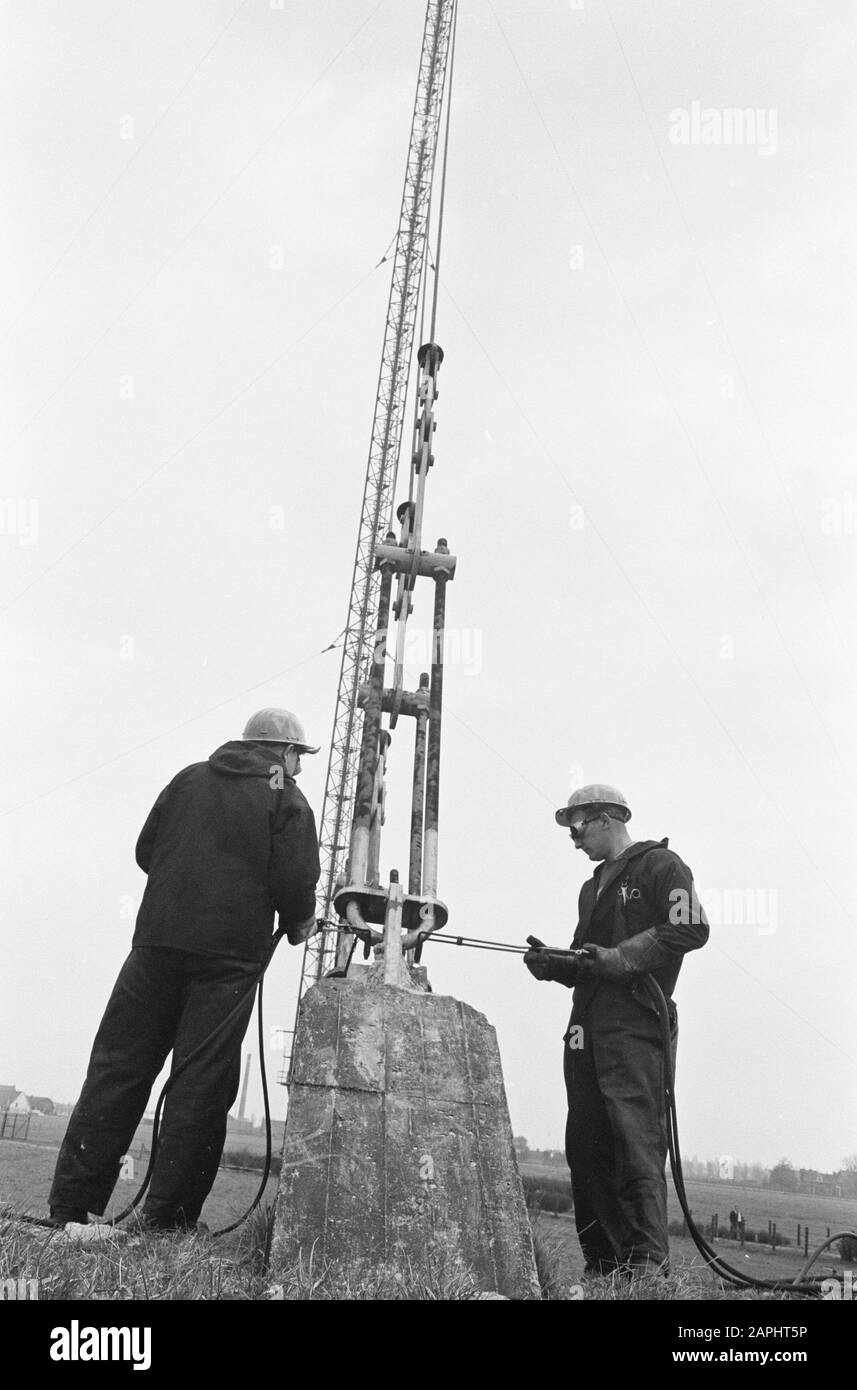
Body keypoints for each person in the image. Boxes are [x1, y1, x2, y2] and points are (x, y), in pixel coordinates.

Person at [48, 708, 321, 1235]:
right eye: (298, 758)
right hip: (229, 962)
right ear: (284, 753)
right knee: (201, 1084)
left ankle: (70, 1208)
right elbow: (294, 879)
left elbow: (146, 851)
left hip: (154, 947)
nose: (300, 769)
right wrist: (299, 921)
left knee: (117, 1069)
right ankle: (166, 1221)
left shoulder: (189, 777)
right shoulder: (286, 797)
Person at [524, 784, 709, 1276]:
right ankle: (603, 1268)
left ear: (607, 819)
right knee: (586, 1146)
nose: (573, 837)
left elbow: (690, 928)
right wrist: (555, 964)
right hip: (586, 1029)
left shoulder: (662, 867)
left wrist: (620, 957)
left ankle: (645, 1267)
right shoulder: (592, 887)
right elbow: (588, 961)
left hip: (635, 1027)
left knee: (635, 1143)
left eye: (578, 825)